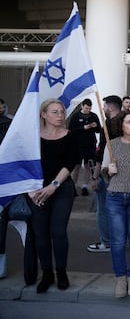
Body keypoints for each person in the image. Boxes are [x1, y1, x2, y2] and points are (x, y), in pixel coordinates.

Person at [29, 99, 78, 293]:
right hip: (35, 190)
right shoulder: (33, 137)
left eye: (61, 112)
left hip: (62, 188)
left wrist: (53, 186)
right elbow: (23, 163)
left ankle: (61, 272)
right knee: (40, 234)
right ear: (43, 114)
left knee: (58, 232)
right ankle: (47, 273)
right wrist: (30, 190)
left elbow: (70, 162)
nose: (60, 115)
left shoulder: (70, 136)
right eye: (55, 112)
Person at [102, 110, 130, 298]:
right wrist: (108, 171)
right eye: (129, 122)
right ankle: (121, 278)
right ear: (121, 125)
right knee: (118, 241)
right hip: (115, 196)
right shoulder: (111, 145)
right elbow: (104, 172)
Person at [87, 95, 122, 253]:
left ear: (111, 107)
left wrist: (95, 177)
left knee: (103, 209)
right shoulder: (128, 123)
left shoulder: (107, 126)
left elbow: (101, 153)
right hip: (126, 173)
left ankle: (106, 242)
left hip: (108, 173)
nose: (103, 109)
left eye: (104, 106)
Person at [68, 98, 101, 196]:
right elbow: (70, 130)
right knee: (77, 166)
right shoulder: (76, 116)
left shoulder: (93, 116)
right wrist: (83, 128)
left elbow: (99, 130)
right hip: (78, 144)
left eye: (89, 108)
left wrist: (95, 126)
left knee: (88, 165)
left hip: (90, 144)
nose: (88, 110)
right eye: (86, 108)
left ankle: (85, 186)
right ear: (82, 106)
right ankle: (73, 186)